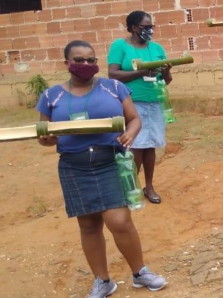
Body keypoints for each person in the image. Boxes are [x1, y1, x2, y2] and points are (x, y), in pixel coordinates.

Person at [37, 40, 167, 298]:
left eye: (91, 60)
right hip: (74, 166)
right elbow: (44, 135)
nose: (86, 65)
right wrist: (47, 139)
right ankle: (103, 280)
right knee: (88, 225)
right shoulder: (52, 96)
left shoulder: (114, 87)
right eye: (79, 60)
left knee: (120, 221)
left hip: (110, 161)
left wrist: (130, 134)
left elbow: (134, 119)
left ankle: (140, 272)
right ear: (67, 63)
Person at [107, 11, 172, 204]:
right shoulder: (120, 46)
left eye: (151, 26)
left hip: (155, 101)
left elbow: (166, 81)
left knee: (150, 145)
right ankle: (130, 187)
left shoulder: (157, 48)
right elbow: (113, 74)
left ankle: (149, 186)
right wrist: (143, 71)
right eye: (146, 27)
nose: (150, 30)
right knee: (134, 146)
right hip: (132, 103)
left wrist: (166, 72)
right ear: (134, 28)